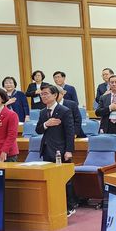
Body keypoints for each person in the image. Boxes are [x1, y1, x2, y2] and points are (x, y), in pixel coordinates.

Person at [35, 84, 77, 215]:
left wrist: (69, 150)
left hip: (61, 150)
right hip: (47, 149)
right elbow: (38, 130)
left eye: (46, 94)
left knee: (65, 180)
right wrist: (46, 124)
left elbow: (70, 132)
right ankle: (55, 205)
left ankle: (70, 206)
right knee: (50, 179)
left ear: (54, 95)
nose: (43, 96)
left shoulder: (64, 110)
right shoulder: (43, 112)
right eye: (42, 94)